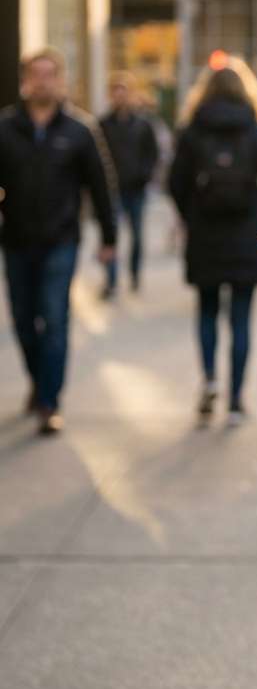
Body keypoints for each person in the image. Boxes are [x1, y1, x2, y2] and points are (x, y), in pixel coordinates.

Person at [0, 48, 117, 434]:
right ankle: (38, 379)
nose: (43, 81)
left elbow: (100, 187)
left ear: (60, 80)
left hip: (60, 240)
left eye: (50, 74)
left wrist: (109, 237)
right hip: (15, 239)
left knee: (54, 318)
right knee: (22, 320)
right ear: (26, 80)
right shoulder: (6, 127)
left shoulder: (79, 130)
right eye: (36, 74)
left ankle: (50, 401)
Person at [168, 57, 257, 426]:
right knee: (240, 317)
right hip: (245, 232)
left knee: (206, 310)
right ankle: (236, 400)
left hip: (206, 231)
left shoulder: (192, 131)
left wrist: (191, 216)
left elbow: (175, 182)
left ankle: (209, 381)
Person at [98, 71, 159, 297]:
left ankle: (134, 274)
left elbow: (152, 154)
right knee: (110, 234)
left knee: (136, 235)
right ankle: (111, 279)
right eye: (115, 92)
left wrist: (143, 175)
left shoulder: (142, 125)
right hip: (112, 189)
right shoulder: (102, 125)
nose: (120, 96)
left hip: (136, 188)